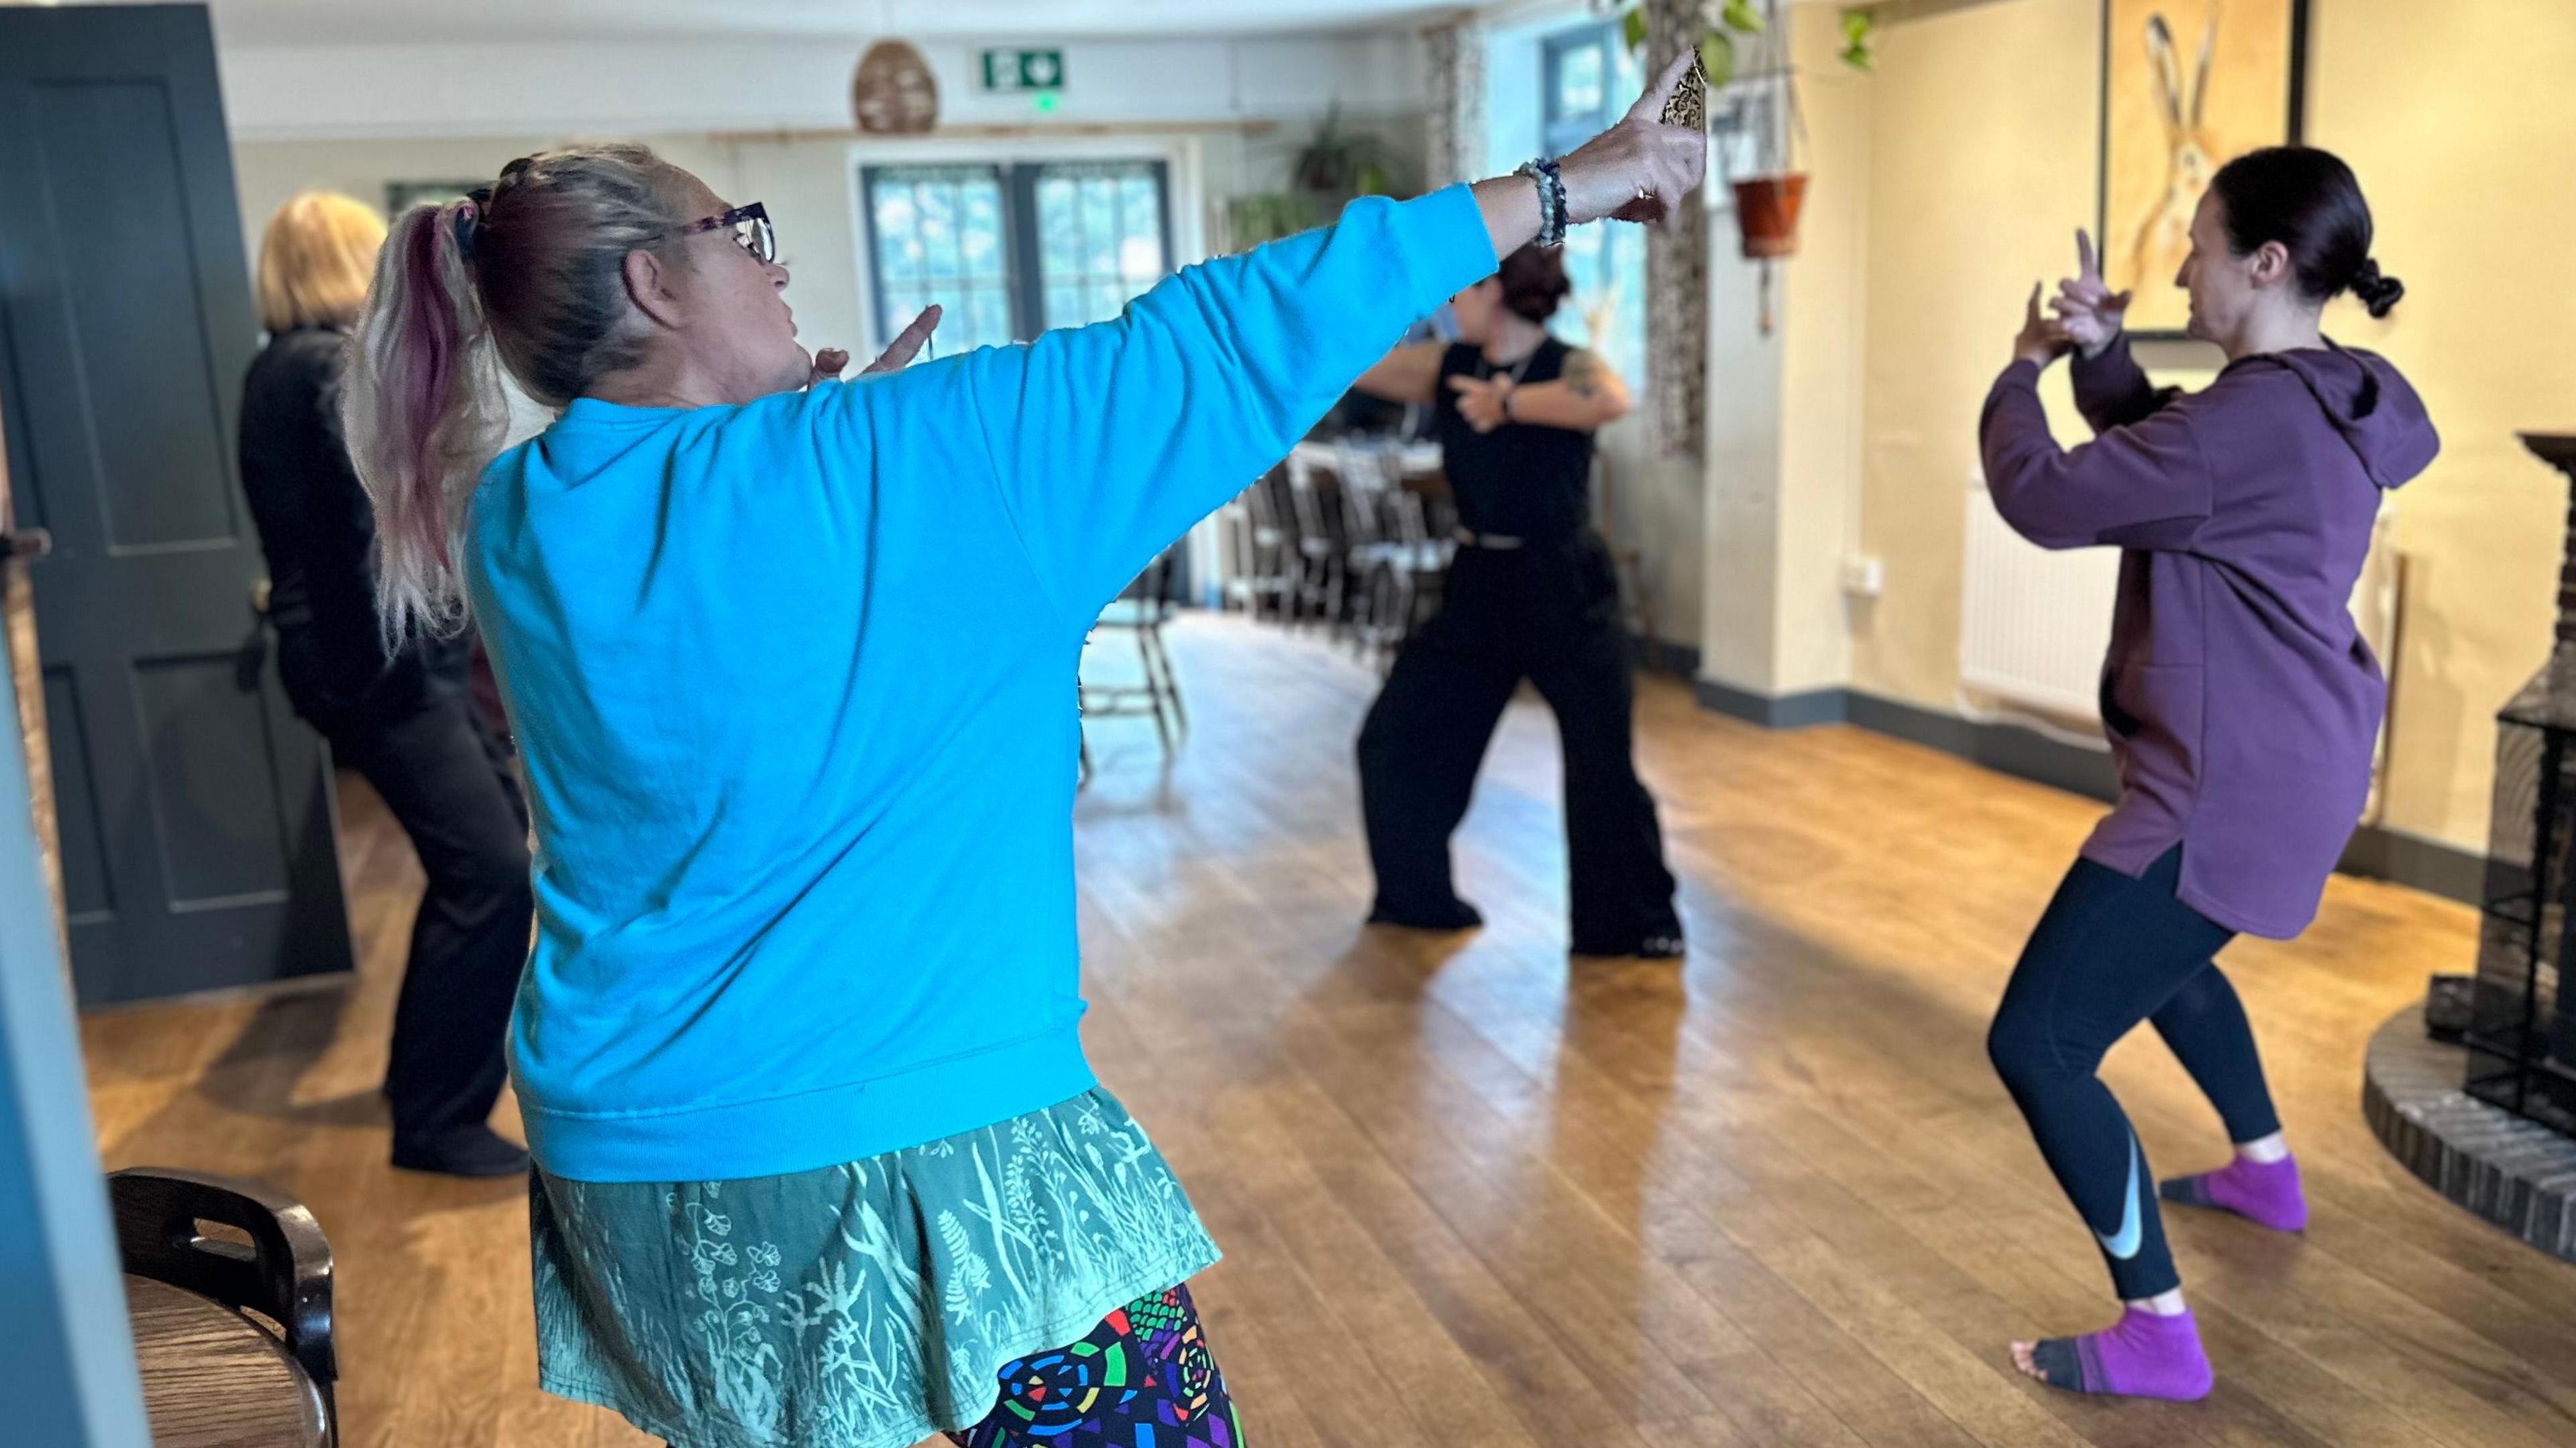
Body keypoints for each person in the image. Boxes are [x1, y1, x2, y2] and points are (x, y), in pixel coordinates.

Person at [336, 59, 1703, 1448]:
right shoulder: (912, 458)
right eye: (739, 231)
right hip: (910, 1134)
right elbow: (1237, 337)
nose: (775, 257)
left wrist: (833, 454)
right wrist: (1566, 184)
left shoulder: (519, 513)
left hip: (631, 1164)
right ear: (652, 286)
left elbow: (706, 655)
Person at [1978, 146, 2436, 1400]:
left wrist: (2024, 364)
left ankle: (2159, 1333)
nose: (2179, 266)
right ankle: (2263, 1167)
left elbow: (2047, 495)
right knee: (2170, 960)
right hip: (2294, 757)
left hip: (2226, 783)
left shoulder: (2241, 421)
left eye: (2198, 245)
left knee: (2040, 1041)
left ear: (2266, 263)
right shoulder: (2334, 393)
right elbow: (2184, 459)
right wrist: (2099, 358)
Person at [237, 190, 535, 1179]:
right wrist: (413, 676)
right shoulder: (322, 370)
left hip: (378, 668)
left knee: (490, 862)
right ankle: (436, 1117)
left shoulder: (279, 367)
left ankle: (428, 1083)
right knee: (487, 871)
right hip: (387, 672)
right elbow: (362, 538)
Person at [1346, 245, 1683, 959]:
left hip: (1563, 584)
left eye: (1460, 290)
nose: (1449, 305)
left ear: (1495, 289)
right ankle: (1416, 898)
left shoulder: (1570, 363)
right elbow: (1358, 367)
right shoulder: (1448, 364)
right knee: (1396, 734)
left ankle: (1629, 924)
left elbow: (1611, 399)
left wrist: (1508, 402)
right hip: (1479, 584)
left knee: (1601, 763)